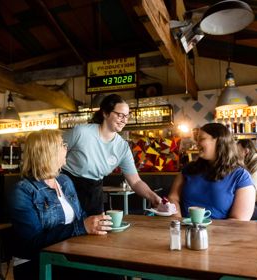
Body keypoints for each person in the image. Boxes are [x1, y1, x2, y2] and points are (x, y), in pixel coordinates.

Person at [8, 130, 114, 280]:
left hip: (68, 255)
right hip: (36, 263)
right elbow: (32, 243)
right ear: (47, 152)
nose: (66, 148)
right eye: (62, 145)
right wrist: (82, 227)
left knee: (112, 268)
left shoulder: (64, 181)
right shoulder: (23, 191)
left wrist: (97, 223)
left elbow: (80, 217)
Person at [62, 94, 161, 215]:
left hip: (94, 192)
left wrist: (153, 197)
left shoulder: (122, 147)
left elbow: (135, 182)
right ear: (105, 113)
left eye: (126, 116)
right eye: (120, 115)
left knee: (96, 230)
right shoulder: (81, 132)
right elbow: (51, 154)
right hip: (67, 187)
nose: (124, 120)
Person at [168, 123, 255, 220]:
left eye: (201, 139)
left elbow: (239, 220)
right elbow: (173, 197)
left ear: (219, 141)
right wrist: (178, 222)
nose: (197, 143)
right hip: (186, 231)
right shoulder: (188, 169)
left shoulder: (241, 177)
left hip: (221, 233)